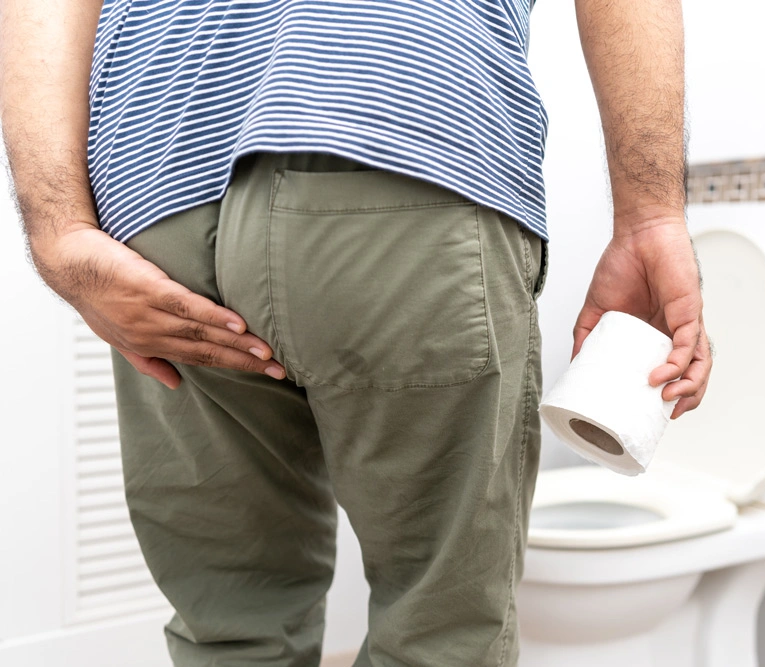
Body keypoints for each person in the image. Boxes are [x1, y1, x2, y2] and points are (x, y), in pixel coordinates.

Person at [0, 0, 711, 665]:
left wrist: (59, 229)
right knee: (439, 632)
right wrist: (650, 214)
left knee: (233, 630)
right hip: (403, 130)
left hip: (158, 194)